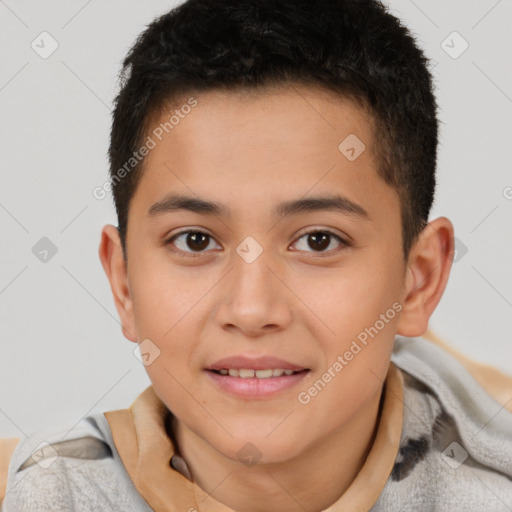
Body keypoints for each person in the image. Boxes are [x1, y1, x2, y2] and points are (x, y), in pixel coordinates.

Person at [2, 0, 511, 510]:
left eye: (318, 240)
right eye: (195, 240)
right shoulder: (41, 493)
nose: (251, 310)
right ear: (124, 282)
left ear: (418, 280)